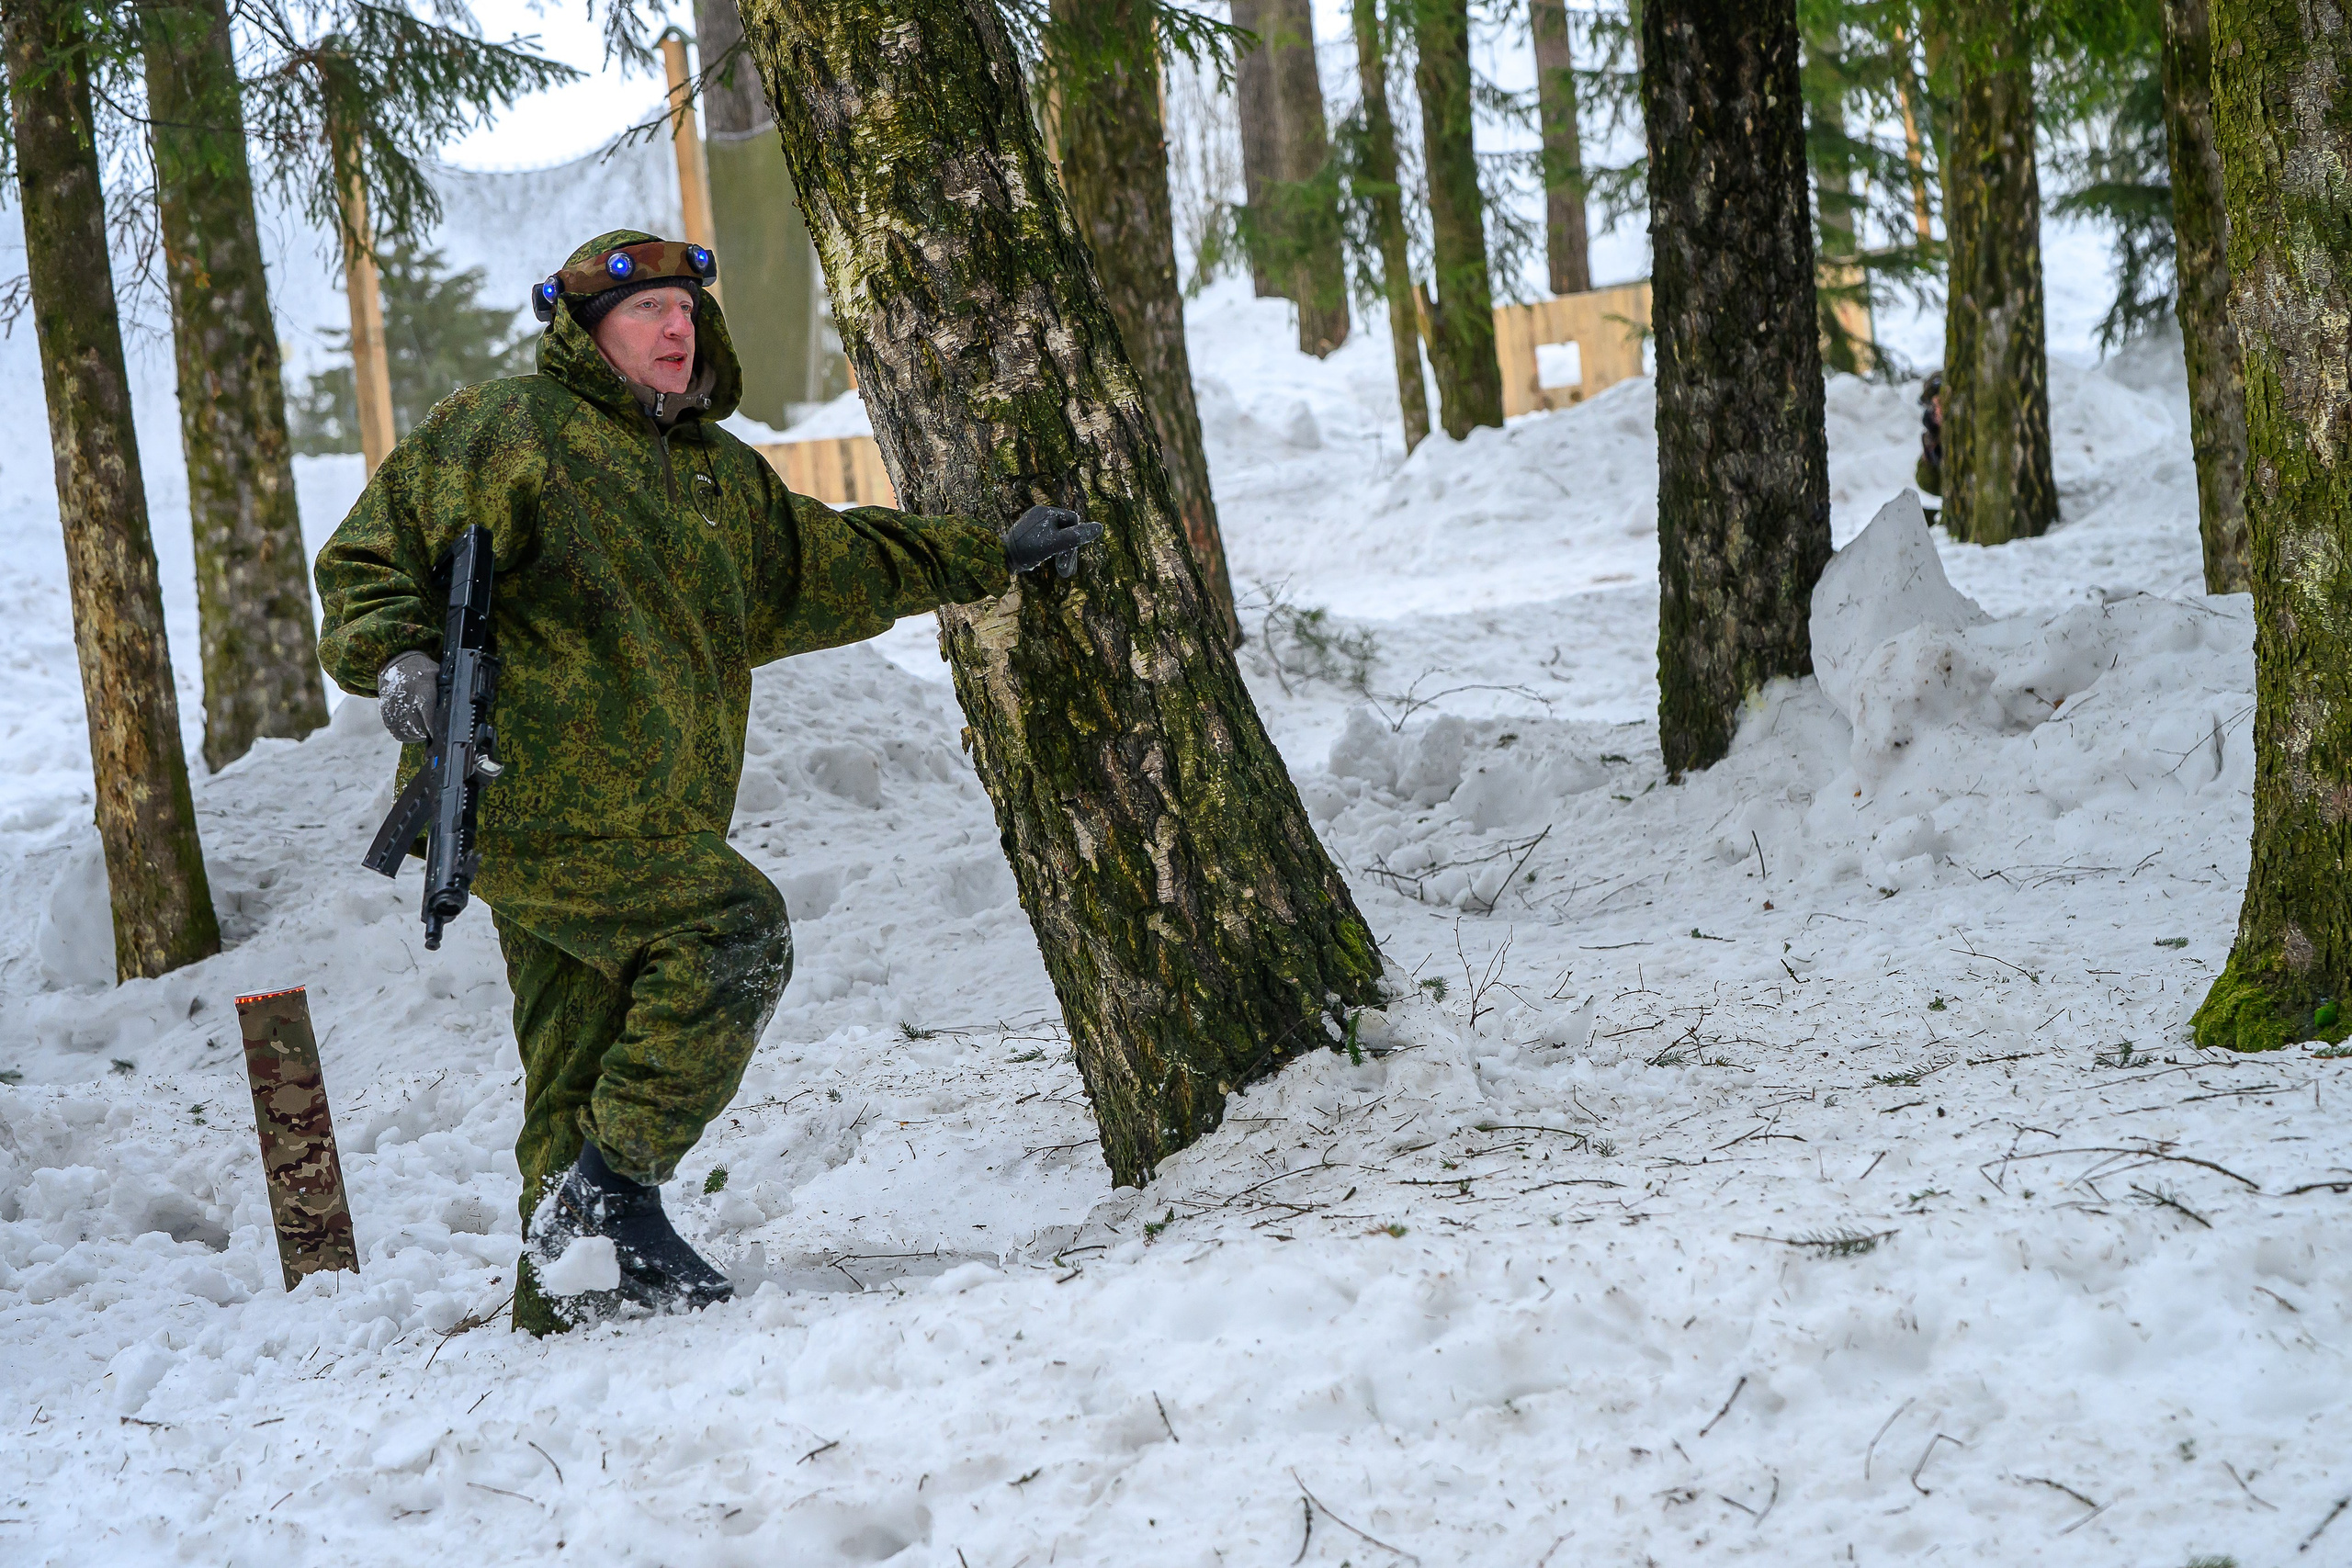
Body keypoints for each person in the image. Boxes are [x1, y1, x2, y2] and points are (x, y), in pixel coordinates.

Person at [313, 231, 1101, 1333]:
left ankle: (569, 1301)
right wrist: (399, 659)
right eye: (646, 314)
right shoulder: (511, 427)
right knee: (737, 931)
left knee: (577, 1055)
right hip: (531, 796)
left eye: (687, 310)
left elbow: (833, 566)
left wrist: (988, 554)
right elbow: (367, 559)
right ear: (588, 333)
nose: (675, 329)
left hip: (655, 814)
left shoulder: (716, 477)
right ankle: (613, 1195)